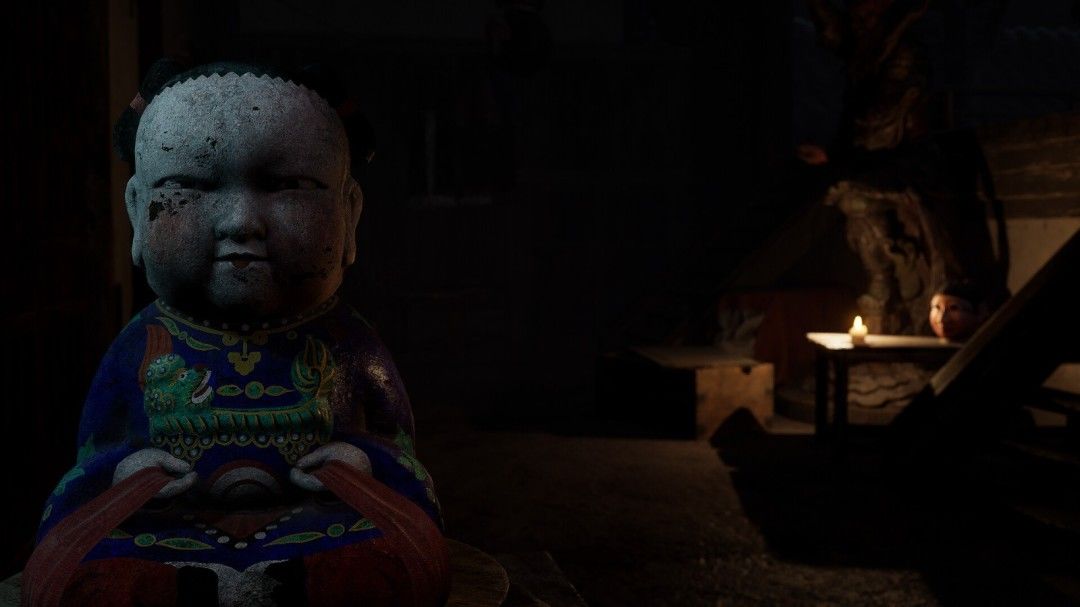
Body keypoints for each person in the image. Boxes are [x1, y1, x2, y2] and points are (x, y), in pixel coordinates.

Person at [23, 60, 449, 607]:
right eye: (191, 186)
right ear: (136, 210)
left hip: (313, 522)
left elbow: (397, 447)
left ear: (350, 212)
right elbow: (96, 453)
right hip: (170, 524)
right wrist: (129, 469)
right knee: (86, 572)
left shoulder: (348, 344)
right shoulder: (143, 343)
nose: (240, 221)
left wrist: (358, 462)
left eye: (287, 186)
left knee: (387, 563)